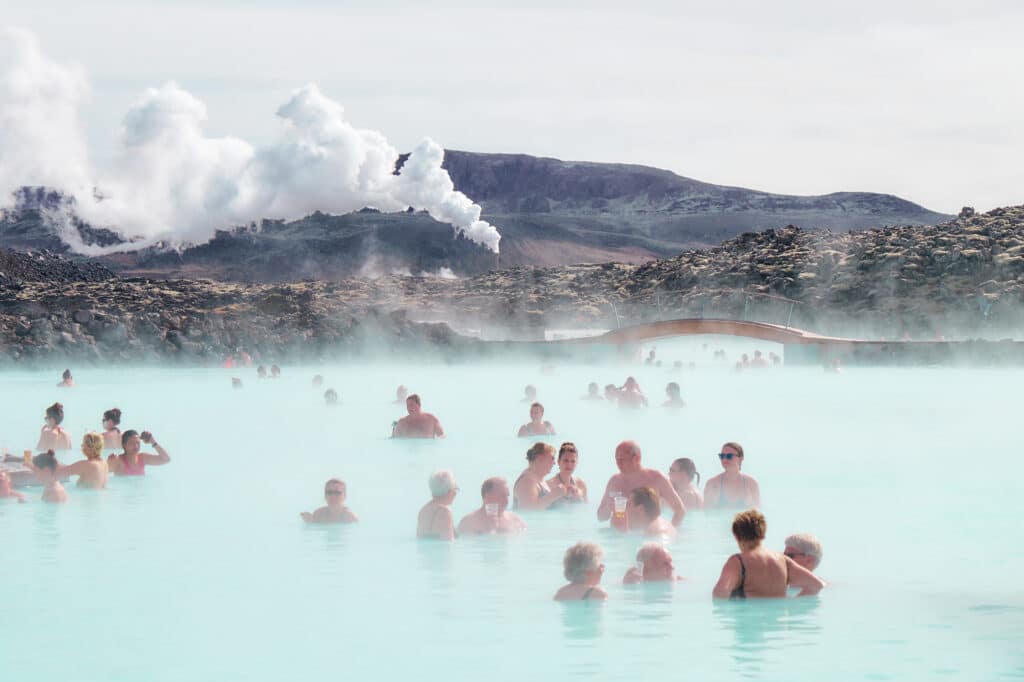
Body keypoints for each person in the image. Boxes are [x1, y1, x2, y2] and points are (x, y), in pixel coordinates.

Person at [712, 509, 824, 599]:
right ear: (763, 535)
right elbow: (816, 585)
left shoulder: (737, 562)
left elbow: (719, 594)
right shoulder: (783, 561)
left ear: (736, 536)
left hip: (750, 624)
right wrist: (791, 607)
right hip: (779, 625)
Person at [597, 441, 686, 527]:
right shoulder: (614, 481)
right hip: (619, 537)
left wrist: (669, 532)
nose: (618, 463)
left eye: (622, 459)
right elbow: (600, 517)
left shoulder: (656, 478)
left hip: (647, 537)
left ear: (637, 458)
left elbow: (680, 510)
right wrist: (608, 507)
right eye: (616, 459)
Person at [456, 477, 526, 535]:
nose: (506, 500)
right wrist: (490, 530)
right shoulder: (469, 522)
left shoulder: (515, 520)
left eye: (507, 495)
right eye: (501, 496)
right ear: (487, 497)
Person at [703, 442, 761, 509]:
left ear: (740, 458)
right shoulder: (712, 483)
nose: (724, 459)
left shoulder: (751, 483)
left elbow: (758, 513)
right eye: (722, 456)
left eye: (729, 456)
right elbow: (706, 514)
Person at [513, 443, 568, 510]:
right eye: (552, 458)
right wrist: (553, 495)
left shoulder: (538, 479)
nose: (554, 463)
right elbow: (528, 511)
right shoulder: (527, 481)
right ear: (540, 459)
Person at [416, 470, 458, 540]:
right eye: (456, 489)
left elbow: (420, 539)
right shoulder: (445, 512)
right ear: (449, 491)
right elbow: (448, 542)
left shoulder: (423, 511)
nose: (456, 493)